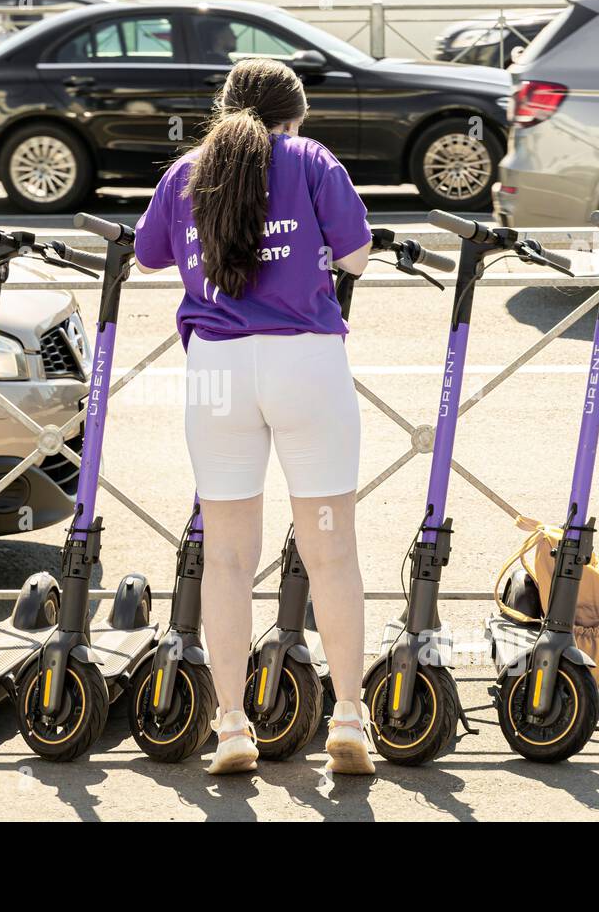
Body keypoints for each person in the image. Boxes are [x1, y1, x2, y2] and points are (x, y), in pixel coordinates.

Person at [133, 58, 374, 775]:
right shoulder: (307, 157)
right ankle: (350, 719)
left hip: (216, 372)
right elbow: (357, 253)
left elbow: (149, 256)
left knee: (229, 558)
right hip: (305, 366)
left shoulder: (187, 172)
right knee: (331, 547)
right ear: (292, 117)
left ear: (226, 109)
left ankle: (233, 727)